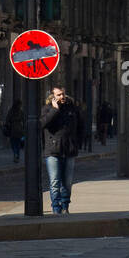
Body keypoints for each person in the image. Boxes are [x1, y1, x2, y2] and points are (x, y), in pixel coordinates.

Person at [41, 85, 84, 214]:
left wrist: (77, 143)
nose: (62, 97)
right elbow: (42, 124)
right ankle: (56, 208)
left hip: (69, 149)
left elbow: (81, 127)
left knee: (67, 181)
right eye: (59, 95)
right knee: (55, 181)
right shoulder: (47, 109)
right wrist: (54, 110)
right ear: (53, 96)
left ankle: (65, 205)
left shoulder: (72, 108)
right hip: (53, 150)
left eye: (63, 94)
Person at [4, 99, 26, 163]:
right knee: (18, 143)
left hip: (13, 129)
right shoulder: (21, 112)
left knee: (13, 143)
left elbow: (7, 119)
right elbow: (24, 120)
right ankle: (17, 155)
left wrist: (7, 125)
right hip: (19, 130)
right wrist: (24, 128)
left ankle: (15, 154)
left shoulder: (11, 111)